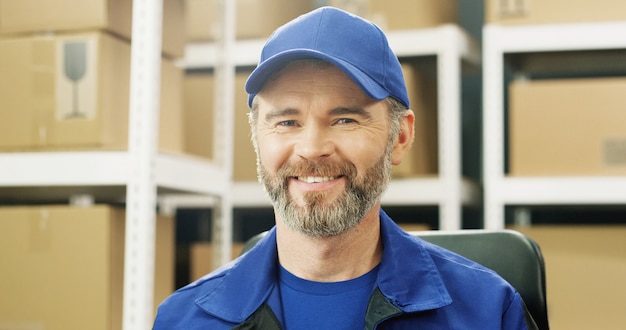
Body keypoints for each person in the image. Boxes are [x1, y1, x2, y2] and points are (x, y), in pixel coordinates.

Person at [154, 6, 537, 329]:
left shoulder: (487, 312)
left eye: (345, 120)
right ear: (257, 136)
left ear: (400, 137)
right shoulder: (185, 319)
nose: (312, 149)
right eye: (287, 122)